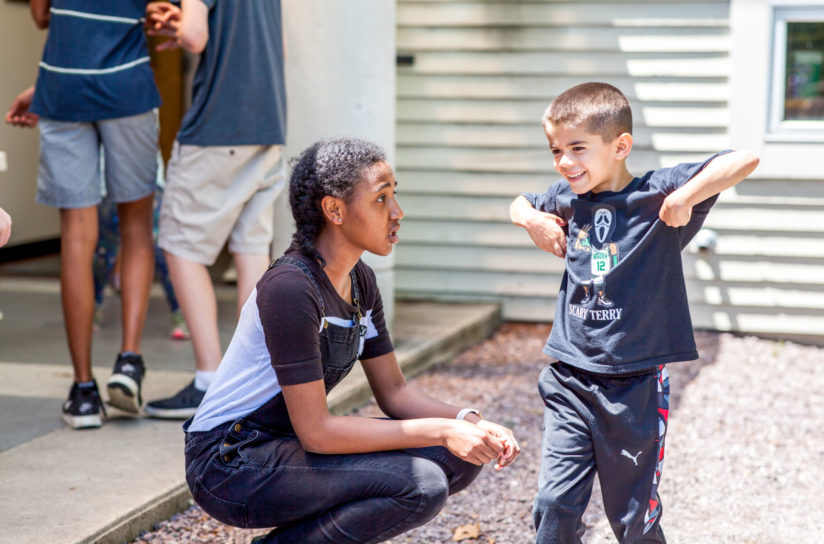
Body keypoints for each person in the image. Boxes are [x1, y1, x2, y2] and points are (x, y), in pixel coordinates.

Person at [183, 137, 519, 544]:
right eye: (381, 199)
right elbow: (318, 433)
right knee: (422, 483)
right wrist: (441, 429)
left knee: (459, 457)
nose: (397, 212)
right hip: (228, 462)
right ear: (335, 210)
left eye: (395, 195)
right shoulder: (290, 288)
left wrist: (470, 422)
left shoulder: (360, 281)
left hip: (282, 446)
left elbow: (394, 393)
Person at [509, 82, 758, 544]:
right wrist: (533, 221)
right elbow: (517, 203)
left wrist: (686, 198)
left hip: (636, 387)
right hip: (570, 378)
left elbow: (743, 160)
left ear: (620, 146)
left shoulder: (655, 194)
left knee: (632, 519)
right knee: (553, 506)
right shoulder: (566, 200)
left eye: (577, 148)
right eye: (556, 150)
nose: (564, 162)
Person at [5, 0, 161, 429]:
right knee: (136, 228)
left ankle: (83, 392)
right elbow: (163, 20)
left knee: (76, 235)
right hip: (126, 86)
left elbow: (41, 16)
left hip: (63, 89)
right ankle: (129, 362)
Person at [142, 0, 287, 418]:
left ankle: (210, 380)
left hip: (218, 127)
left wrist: (185, 24)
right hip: (266, 123)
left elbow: (195, 36)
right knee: (251, 249)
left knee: (181, 247)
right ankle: (252, 382)